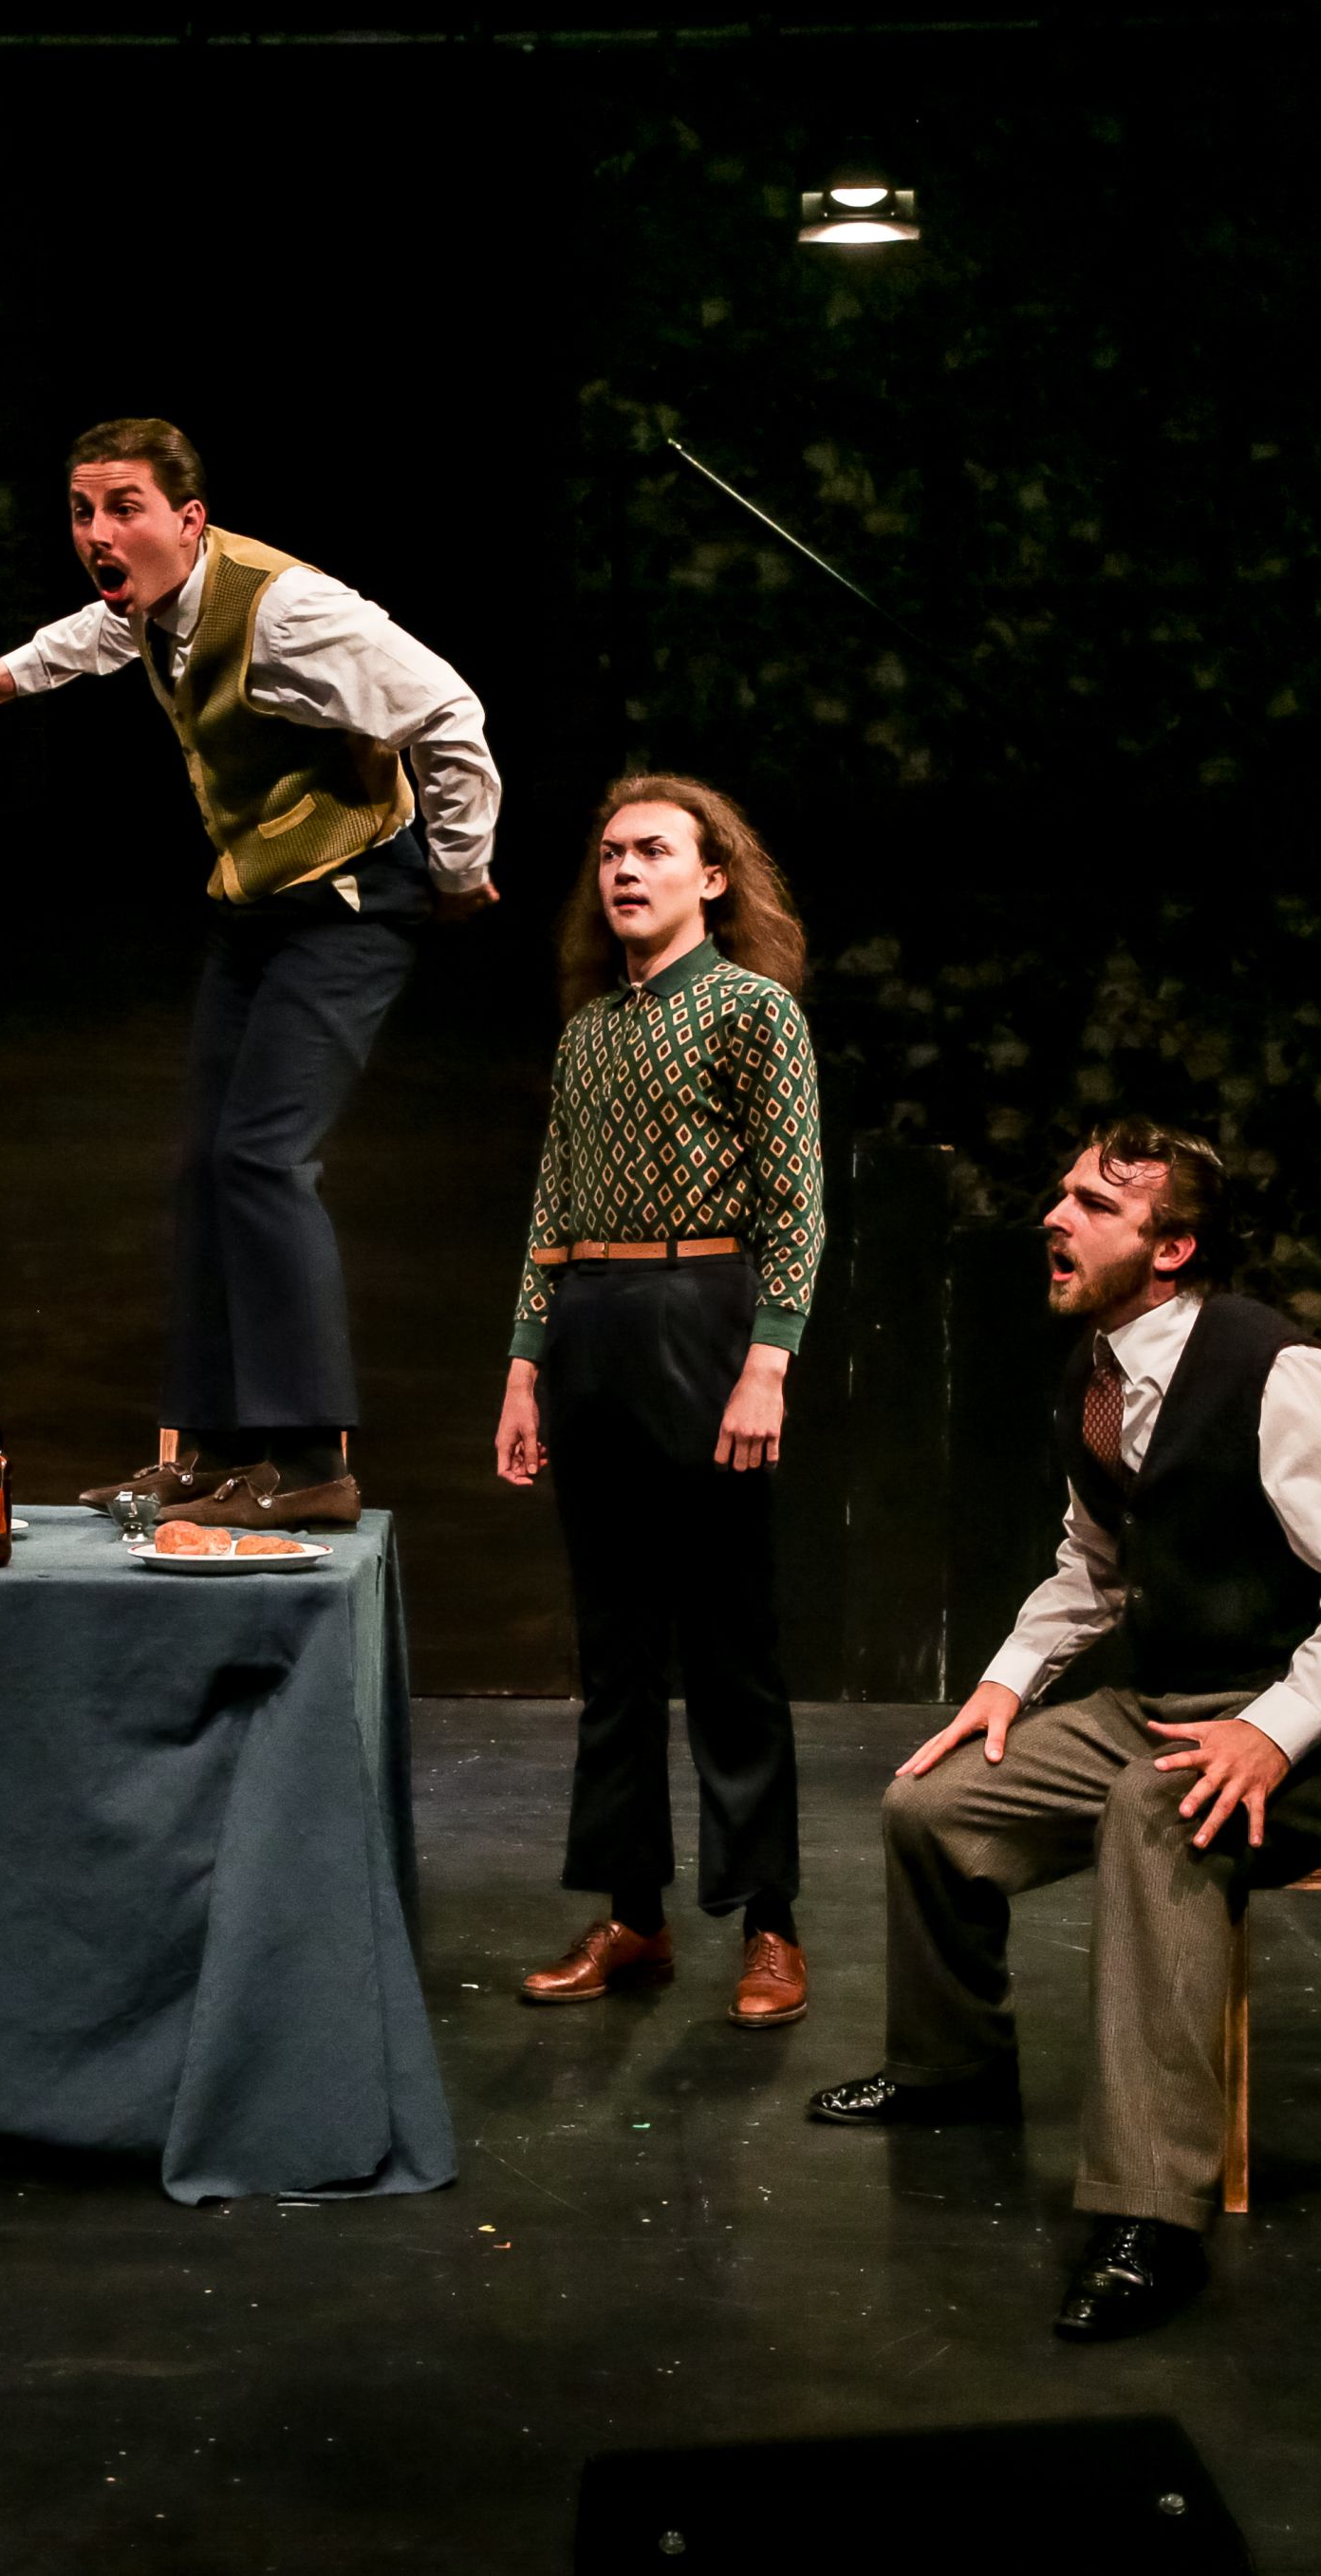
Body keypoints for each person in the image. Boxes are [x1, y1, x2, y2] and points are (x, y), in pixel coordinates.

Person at [805, 1122, 1321, 2343]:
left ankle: (1154, 2211)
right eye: (1064, 1192)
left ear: (1171, 1246)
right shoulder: (1096, 1376)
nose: (1056, 1214)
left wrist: (1271, 1731)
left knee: (1159, 1811)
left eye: (1094, 1203)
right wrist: (1003, 1686)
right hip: (1168, 1702)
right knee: (934, 1804)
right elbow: (1089, 1570)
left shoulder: (1275, 1369)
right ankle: (954, 2070)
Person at [0, 418, 499, 1530]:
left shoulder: (289, 610)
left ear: (188, 518)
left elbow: (444, 711)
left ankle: (314, 1457)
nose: (99, 532)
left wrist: (461, 869)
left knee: (262, 1158)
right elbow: (104, 632)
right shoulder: (155, 603)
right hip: (256, 906)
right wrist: (13, 675)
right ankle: (212, 1449)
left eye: (124, 507)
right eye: (83, 510)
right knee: (202, 1166)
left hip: (348, 893)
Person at [492, 776, 825, 2026]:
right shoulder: (588, 1030)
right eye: (612, 850)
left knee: (731, 1637)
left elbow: (796, 1196)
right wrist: (526, 1361)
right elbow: (549, 1201)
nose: (625, 870)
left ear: (714, 875)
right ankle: (634, 1915)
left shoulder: (751, 1011)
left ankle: (773, 1921)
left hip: (705, 1313)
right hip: (590, 1325)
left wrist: (768, 1355)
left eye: (653, 850)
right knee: (615, 1646)